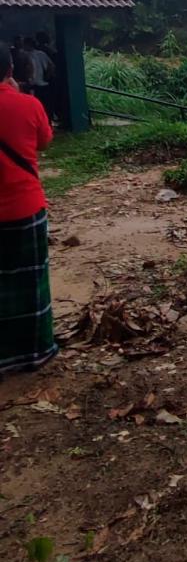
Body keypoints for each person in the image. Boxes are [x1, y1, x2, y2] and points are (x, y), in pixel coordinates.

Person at [0, 42, 56, 377]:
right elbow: (44, 141)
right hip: (25, 207)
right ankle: (35, 351)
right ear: (10, 70)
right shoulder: (28, 105)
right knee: (31, 281)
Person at [23, 36, 55, 119]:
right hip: (44, 84)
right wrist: (47, 77)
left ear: (27, 45)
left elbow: (28, 69)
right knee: (46, 106)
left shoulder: (26, 55)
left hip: (32, 85)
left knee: (35, 107)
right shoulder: (41, 54)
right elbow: (51, 66)